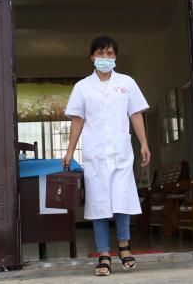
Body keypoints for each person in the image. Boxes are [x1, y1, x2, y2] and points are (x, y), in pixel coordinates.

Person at [62, 35, 151, 277]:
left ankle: (124, 247)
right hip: (95, 155)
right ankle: (103, 254)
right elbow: (78, 120)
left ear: (115, 57)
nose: (105, 58)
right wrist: (70, 150)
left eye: (110, 54)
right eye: (101, 54)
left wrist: (144, 143)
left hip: (121, 152)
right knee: (99, 204)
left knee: (122, 200)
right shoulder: (82, 87)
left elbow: (135, 114)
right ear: (92, 56)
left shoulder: (127, 82)